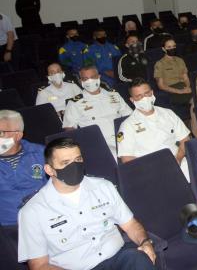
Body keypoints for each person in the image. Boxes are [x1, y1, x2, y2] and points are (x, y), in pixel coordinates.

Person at [18, 138, 156, 270]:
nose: (74, 166)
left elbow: (130, 224)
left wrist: (145, 242)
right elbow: (39, 265)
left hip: (117, 258)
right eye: (65, 162)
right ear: (49, 170)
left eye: (78, 159)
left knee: (138, 257)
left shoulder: (103, 187)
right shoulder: (32, 211)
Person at [118, 79, 191, 178]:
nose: (144, 98)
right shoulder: (127, 125)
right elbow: (126, 158)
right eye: (139, 96)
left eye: (147, 93)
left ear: (152, 93)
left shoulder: (168, 113)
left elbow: (185, 140)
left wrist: (178, 158)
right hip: (149, 170)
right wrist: (151, 168)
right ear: (132, 100)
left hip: (177, 161)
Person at [63, 66, 132, 158]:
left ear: (99, 77)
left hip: (122, 137)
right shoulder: (74, 103)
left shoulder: (114, 95)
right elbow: (69, 129)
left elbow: (129, 116)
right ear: (80, 81)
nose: (89, 81)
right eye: (85, 79)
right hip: (99, 142)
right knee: (117, 155)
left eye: (92, 77)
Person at [0, 110, 45, 226]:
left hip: (44, 217)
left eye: (1, 133)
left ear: (18, 135)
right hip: (9, 225)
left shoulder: (40, 153)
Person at [154, 38, 192, 112]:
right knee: (195, 101)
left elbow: (186, 78)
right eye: (169, 47)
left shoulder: (180, 60)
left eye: (174, 46)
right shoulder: (159, 64)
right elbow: (161, 86)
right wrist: (180, 91)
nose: (172, 48)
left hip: (184, 87)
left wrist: (187, 87)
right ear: (163, 49)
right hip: (172, 91)